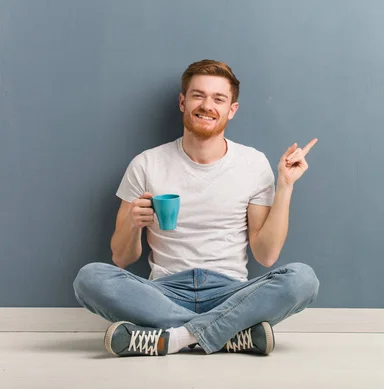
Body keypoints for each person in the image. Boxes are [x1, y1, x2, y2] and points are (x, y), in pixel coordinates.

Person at [73, 59, 320, 357]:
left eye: (219, 98)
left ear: (232, 109)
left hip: (231, 292)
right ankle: (229, 336)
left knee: (302, 279)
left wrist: (285, 185)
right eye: (198, 95)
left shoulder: (253, 164)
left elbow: (266, 256)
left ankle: (175, 338)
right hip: (164, 292)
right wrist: (133, 224)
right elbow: (121, 257)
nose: (207, 105)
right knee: (90, 278)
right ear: (183, 101)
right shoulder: (146, 164)